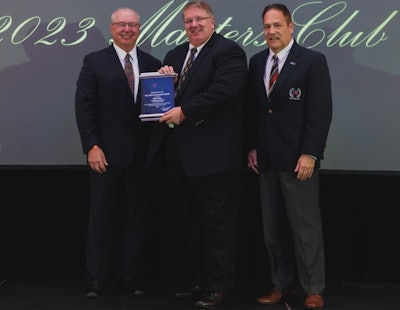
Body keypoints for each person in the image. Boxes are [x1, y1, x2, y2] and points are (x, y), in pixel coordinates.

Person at [146, 1, 248, 308]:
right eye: (188, 20)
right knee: (191, 223)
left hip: (214, 156)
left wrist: (185, 111)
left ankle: (221, 287)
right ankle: (202, 281)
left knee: (218, 224)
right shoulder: (176, 55)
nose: (193, 24)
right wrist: (167, 80)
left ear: (213, 21)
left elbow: (223, 92)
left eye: (199, 19)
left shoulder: (229, 52)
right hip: (178, 155)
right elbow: (167, 98)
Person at [245, 3, 332, 309]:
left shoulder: (311, 61)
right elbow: (256, 111)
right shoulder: (257, 63)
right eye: (267, 26)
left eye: (277, 25)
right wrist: (253, 147)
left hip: (299, 161)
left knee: (306, 230)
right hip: (267, 160)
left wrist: (310, 152)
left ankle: (313, 288)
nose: (271, 31)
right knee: (273, 231)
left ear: (291, 26)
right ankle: (280, 286)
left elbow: (320, 113)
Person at [74, 7, 162, 298]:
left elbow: (158, 108)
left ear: (139, 29)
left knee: (135, 219)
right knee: (101, 219)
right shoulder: (95, 61)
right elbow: (84, 107)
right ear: (112, 29)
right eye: (121, 25)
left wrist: (168, 81)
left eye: (133, 25)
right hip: (105, 156)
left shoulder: (152, 64)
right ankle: (96, 280)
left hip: (141, 157)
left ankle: (129, 278)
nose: (127, 29)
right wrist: (92, 146)